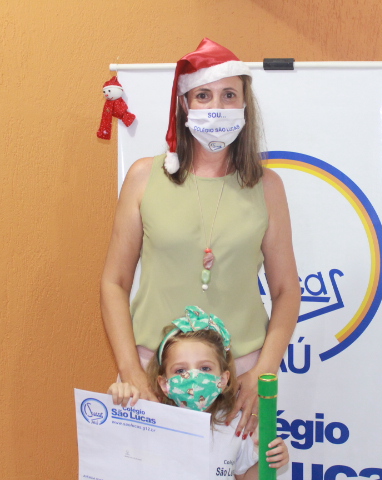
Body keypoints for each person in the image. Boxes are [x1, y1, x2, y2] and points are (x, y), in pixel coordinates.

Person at [100, 38, 301, 438]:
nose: (217, 107)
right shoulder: (143, 177)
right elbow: (114, 282)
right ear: (184, 104)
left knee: (241, 467)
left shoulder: (268, 187)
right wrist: (131, 370)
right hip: (154, 375)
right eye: (204, 95)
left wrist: (263, 373)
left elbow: (286, 291)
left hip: (239, 379)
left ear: (245, 104)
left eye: (229, 95)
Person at [108, 307, 289, 479]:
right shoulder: (150, 420)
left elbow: (246, 477)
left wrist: (268, 463)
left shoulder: (236, 425)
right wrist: (118, 399)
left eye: (205, 368)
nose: (194, 377)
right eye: (180, 370)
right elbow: (117, 448)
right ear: (164, 384)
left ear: (223, 379)